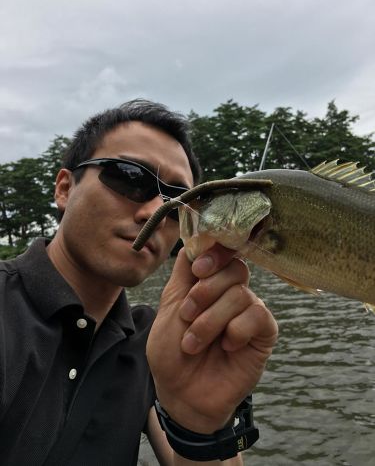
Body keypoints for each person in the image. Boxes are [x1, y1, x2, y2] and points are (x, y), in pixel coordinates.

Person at [0, 99, 278, 465]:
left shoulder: (158, 342)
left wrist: (201, 425)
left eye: (178, 200)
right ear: (65, 188)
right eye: (129, 178)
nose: (154, 212)